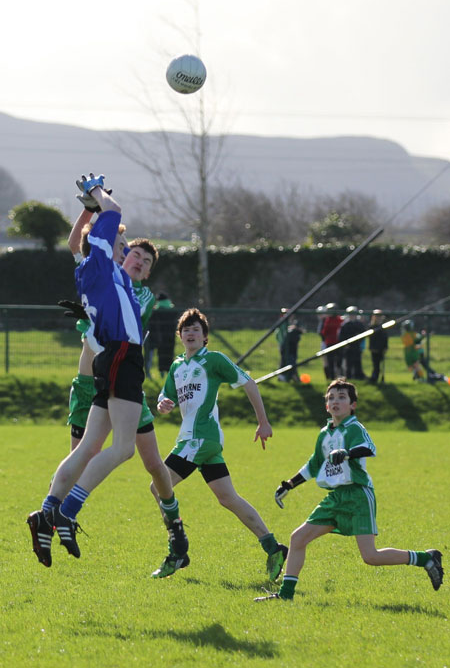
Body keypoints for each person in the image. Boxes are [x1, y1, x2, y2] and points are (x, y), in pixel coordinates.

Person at [27, 176, 188, 571]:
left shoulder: (101, 270)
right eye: (123, 248)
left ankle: (49, 509)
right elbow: (108, 219)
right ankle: (67, 511)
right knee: (122, 449)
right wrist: (98, 194)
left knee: (93, 450)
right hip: (121, 358)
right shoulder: (101, 260)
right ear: (105, 247)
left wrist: (88, 207)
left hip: (113, 361)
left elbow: (82, 241)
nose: (126, 253)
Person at [254, 378, 444, 602]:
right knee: (298, 538)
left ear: (352, 405)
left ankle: (426, 558)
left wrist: (346, 453)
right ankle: (285, 596)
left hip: (358, 495)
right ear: (326, 405)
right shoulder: (324, 433)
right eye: (331, 398)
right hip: (335, 498)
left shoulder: (354, 427)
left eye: (342, 397)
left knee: (370, 556)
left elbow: (369, 448)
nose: (336, 401)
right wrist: (289, 484)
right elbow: (314, 464)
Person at [152, 307, 288, 581]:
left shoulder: (213, 360)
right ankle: (273, 547)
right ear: (180, 336)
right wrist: (162, 404)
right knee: (228, 498)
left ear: (205, 338)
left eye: (196, 330)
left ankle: (178, 549)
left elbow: (249, 383)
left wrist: (263, 422)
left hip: (200, 437)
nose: (191, 333)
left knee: (158, 486)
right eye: (186, 330)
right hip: (198, 441)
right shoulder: (177, 366)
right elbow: (164, 399)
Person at [144, 292, 178, 379]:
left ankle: (161, 373)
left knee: (160, 355)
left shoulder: (156, 312)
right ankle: (168, 373)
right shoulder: (173, 311)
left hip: (159, 337)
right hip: (170, 337)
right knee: (169, 354)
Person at [338, 306, 366, 379]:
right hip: (348, 347)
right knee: (348, 363)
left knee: (357, 362)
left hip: (356, 346)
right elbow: (341, 336)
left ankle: (358, 377)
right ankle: (348, 377)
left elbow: (363, 335)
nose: (352, 316)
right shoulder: (345, 325)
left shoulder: (359, 324)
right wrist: (345, 344)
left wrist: (359, 343)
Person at [275, 308, 303, 382]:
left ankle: (291, 378)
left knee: (291, 361)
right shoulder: (282, 324)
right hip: (284, 346)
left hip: (292, 347)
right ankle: (286, 377)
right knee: (285, 361)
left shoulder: (295, 323)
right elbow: (279, 336)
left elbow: (302, 331)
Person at [320, 303, 343, 379]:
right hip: (337, 343)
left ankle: (332, 377)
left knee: (331, 362)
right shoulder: (339, 319)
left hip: (331, 343)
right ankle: (336, 376)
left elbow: (324, 332)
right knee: (337, 362)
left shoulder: (329, 320)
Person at [368, 309, 388, 383]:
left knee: (380, 364)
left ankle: (377, 378)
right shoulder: (372, 326)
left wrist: (385, 347)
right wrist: (372, 347)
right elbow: (371, 339)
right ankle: (374, 378)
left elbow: (385, 337)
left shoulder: (383, 327)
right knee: (376, 365)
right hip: (374, 348)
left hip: (381, 348)